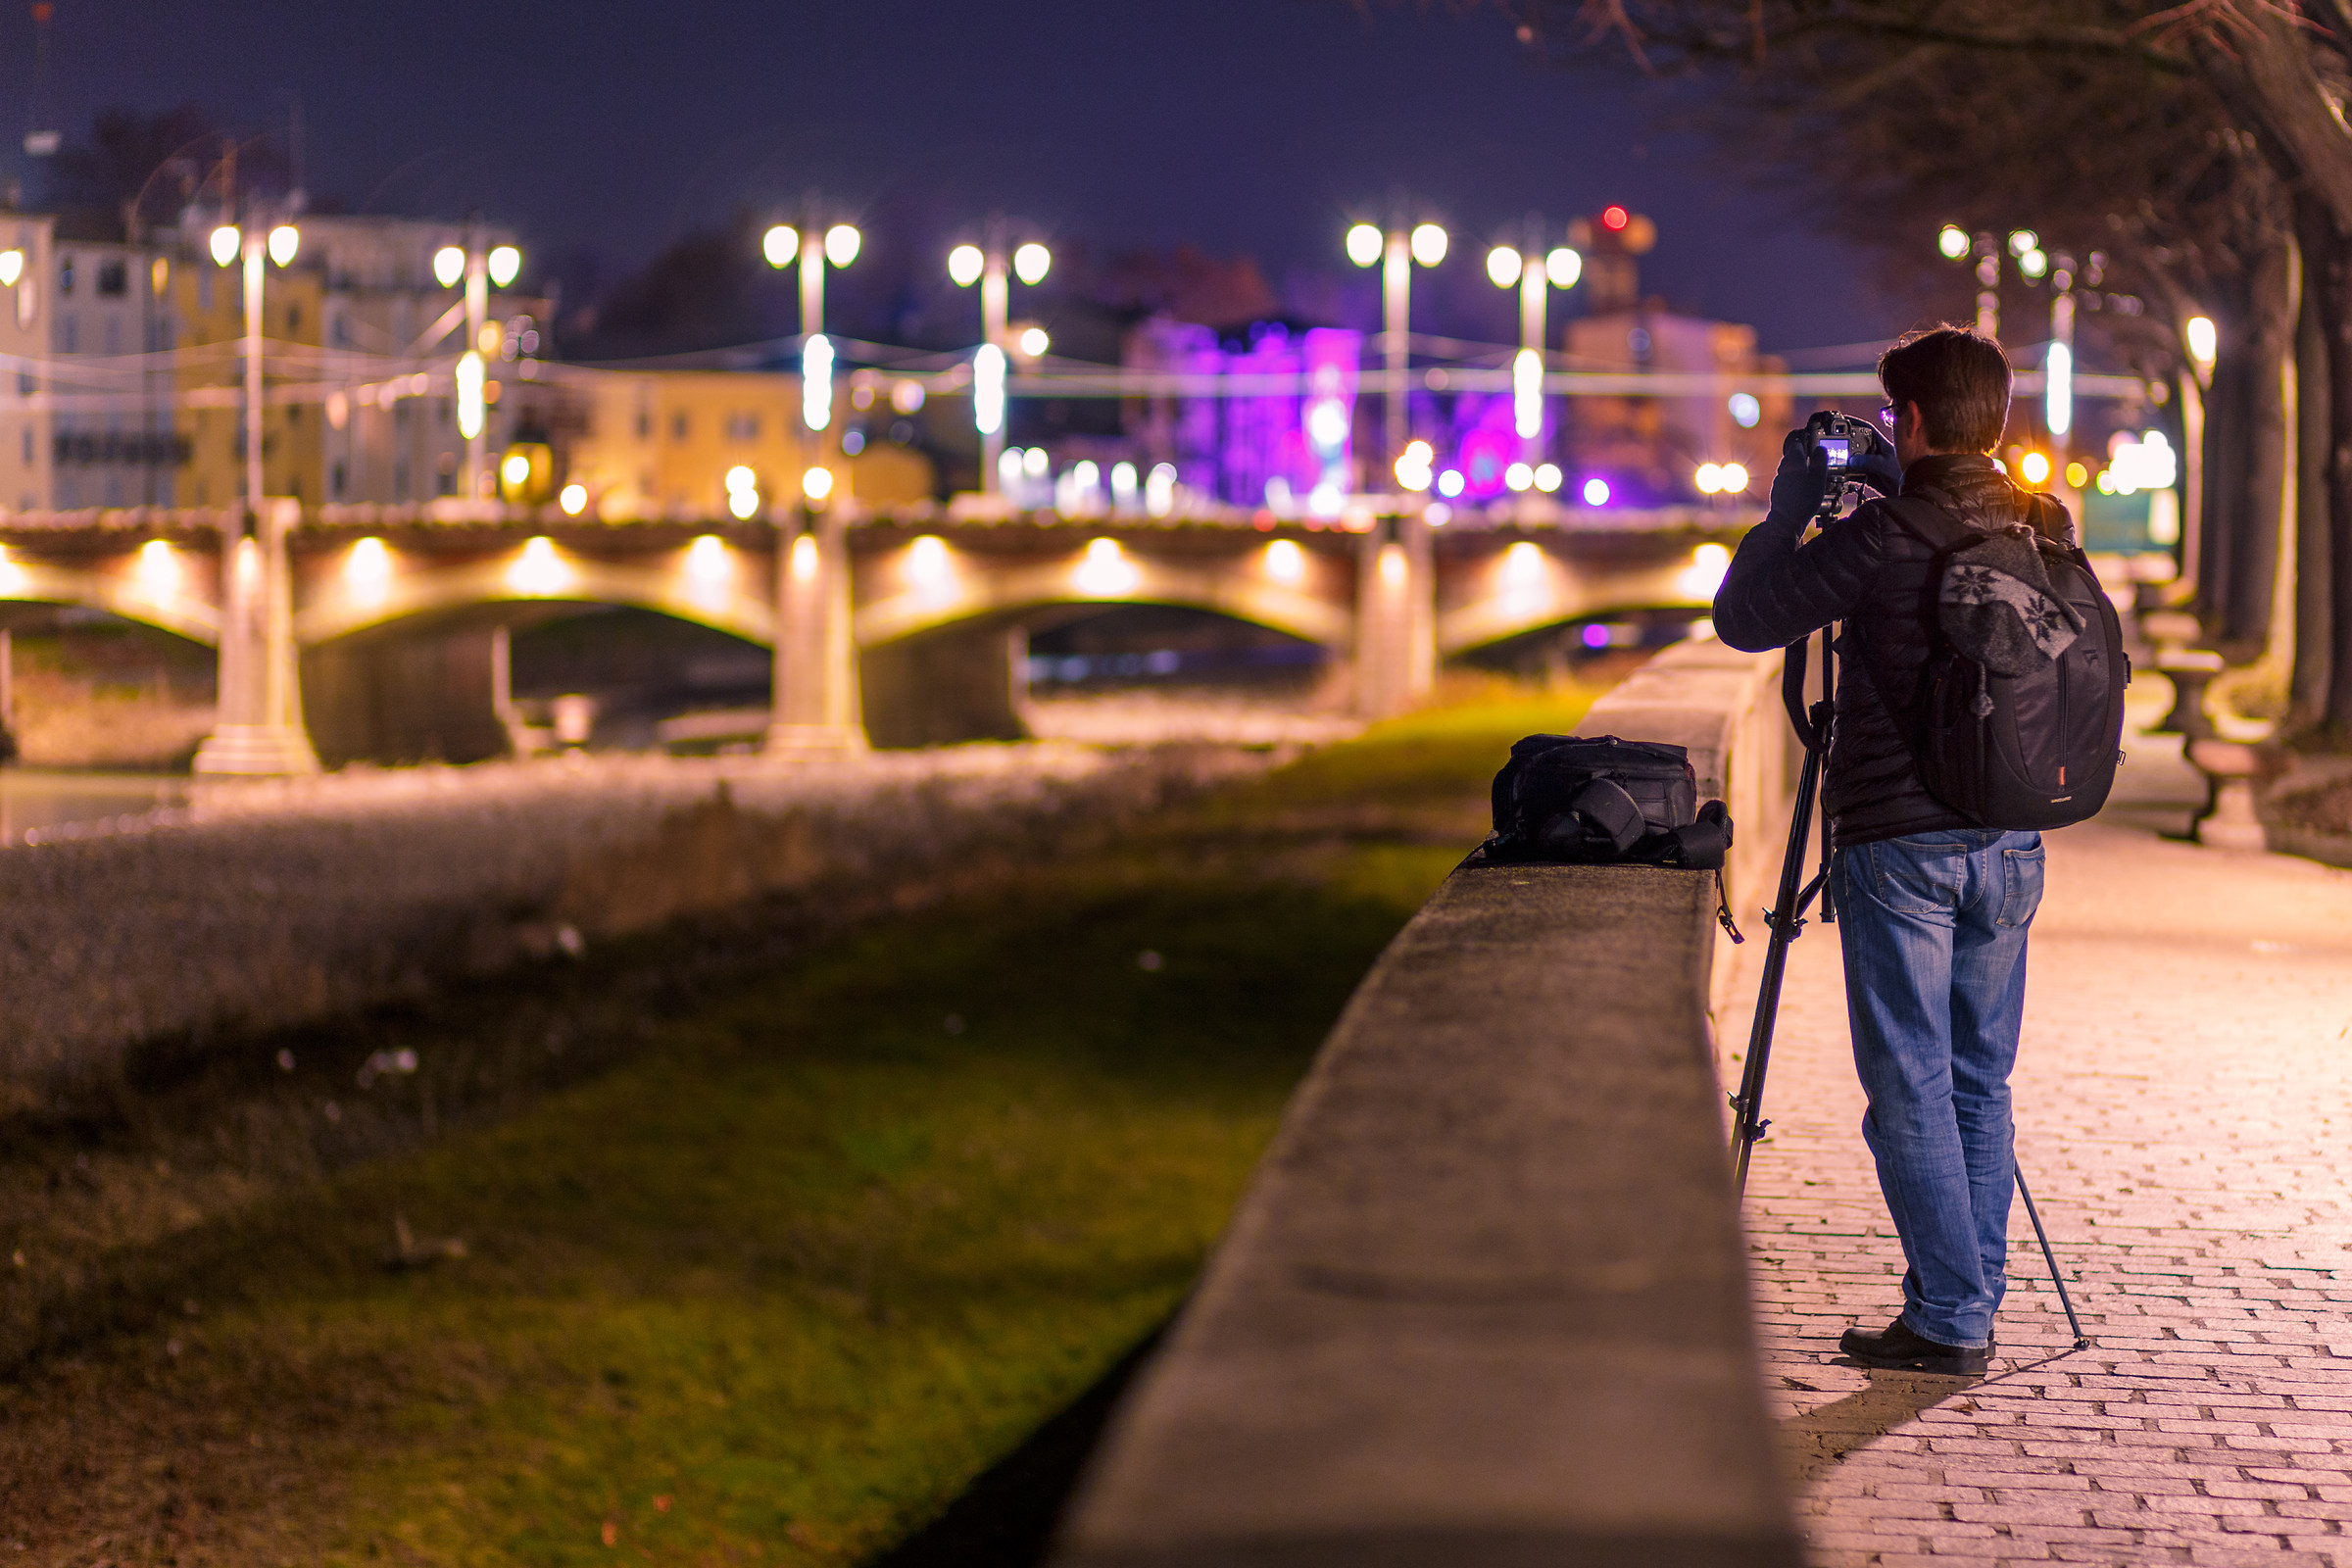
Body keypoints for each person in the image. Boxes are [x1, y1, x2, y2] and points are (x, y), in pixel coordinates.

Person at [1711, 325, 2067, 1377]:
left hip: (1901, 841)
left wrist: (1794, 506)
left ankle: (1952, 1315)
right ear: (1992, 420)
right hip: (2010, 836)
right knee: (1977, 1079)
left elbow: (1745, 616)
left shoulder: (1883, 537)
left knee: (1908, 1081)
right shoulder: (2045, 522)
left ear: (1907, 420)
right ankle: (1967, 1298)